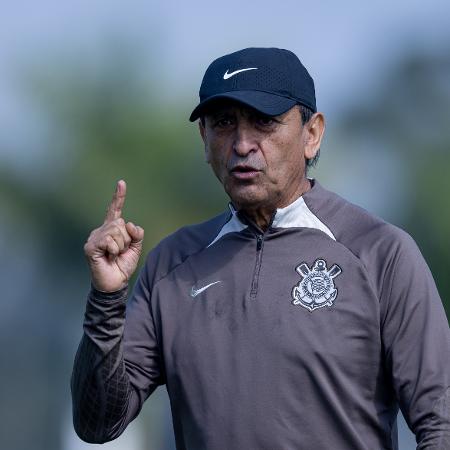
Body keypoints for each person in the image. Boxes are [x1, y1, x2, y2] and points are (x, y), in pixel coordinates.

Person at [71, 47, 450, 450]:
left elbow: (439, 421)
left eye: (264, 122)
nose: (242, 144)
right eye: (224, 123)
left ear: (312, 133)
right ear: (204, 139)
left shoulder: (380, 253)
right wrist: (106, 299)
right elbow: (97, 424)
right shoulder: (173, 264)